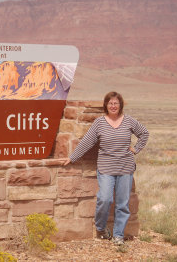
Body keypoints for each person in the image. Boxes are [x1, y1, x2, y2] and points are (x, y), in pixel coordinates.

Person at [63, 91, 149, 246]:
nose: (113, 106)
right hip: (106, 168)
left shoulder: (129, 121)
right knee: (105, 198)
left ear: (120, 105)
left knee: (123, 204)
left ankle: (118, 235)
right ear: (106, 105)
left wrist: (136, 149)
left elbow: (144, 133)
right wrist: (72, 157)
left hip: (125, 167)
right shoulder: (99, 123)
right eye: (110, 103)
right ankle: (101, 228)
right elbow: (87, 142)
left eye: (116, 103)